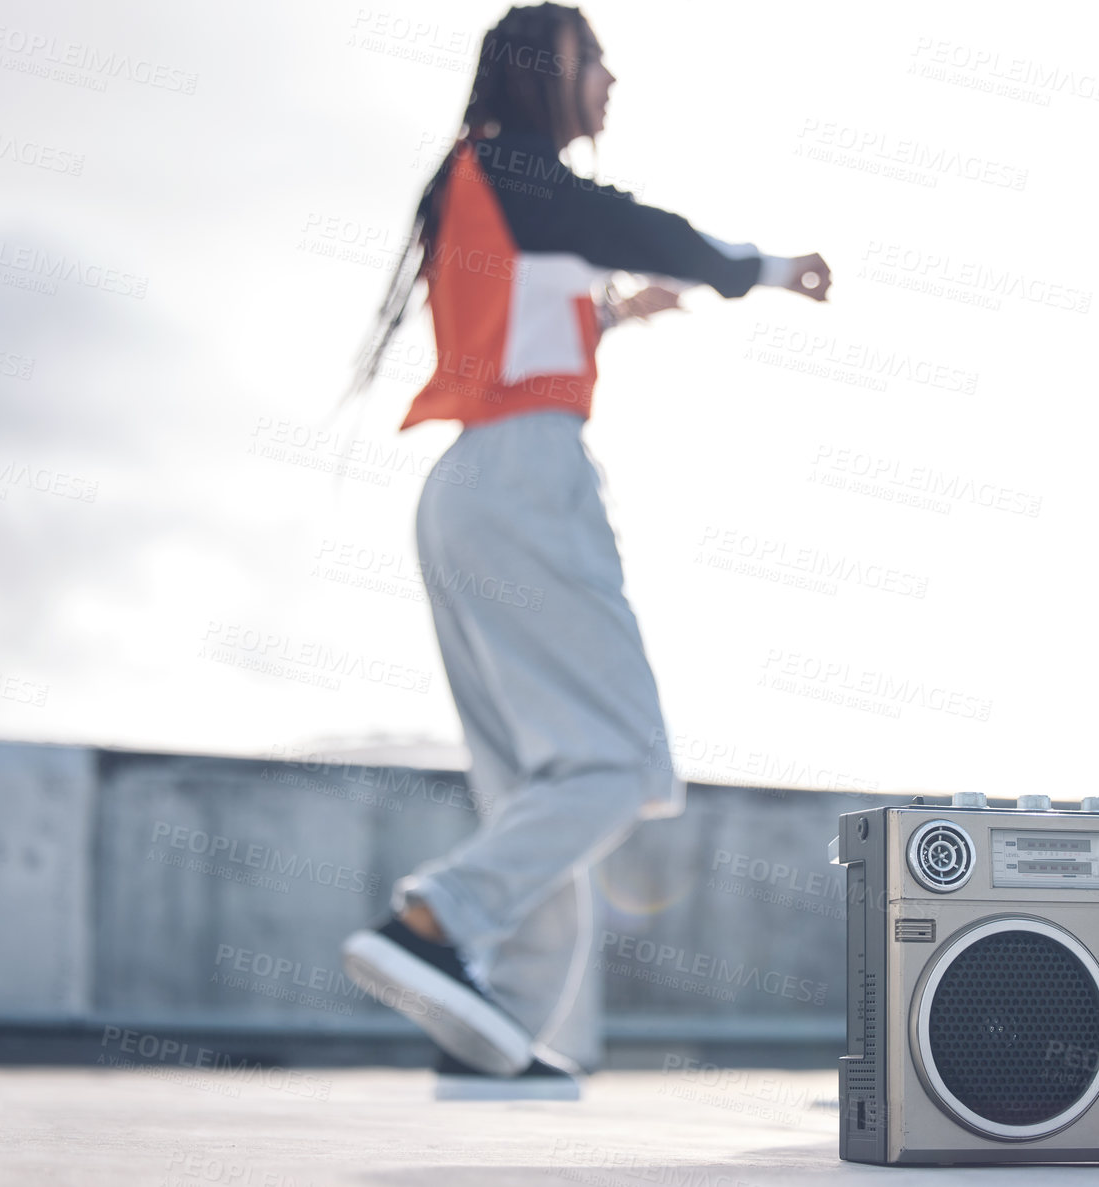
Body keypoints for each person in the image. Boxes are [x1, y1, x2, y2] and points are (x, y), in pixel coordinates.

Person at [338, 2, 831, 1083]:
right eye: (595, 58)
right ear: (544, 68)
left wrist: (616, 318)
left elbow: (521, 311)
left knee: (531, 786)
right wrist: (768, 264)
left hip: (469, 485)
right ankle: (435, 917)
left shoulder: (487, 188)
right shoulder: (519, 172)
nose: (611, 77)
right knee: (617, 761)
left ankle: (499, 1023)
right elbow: (641, 227)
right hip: (522, 474)